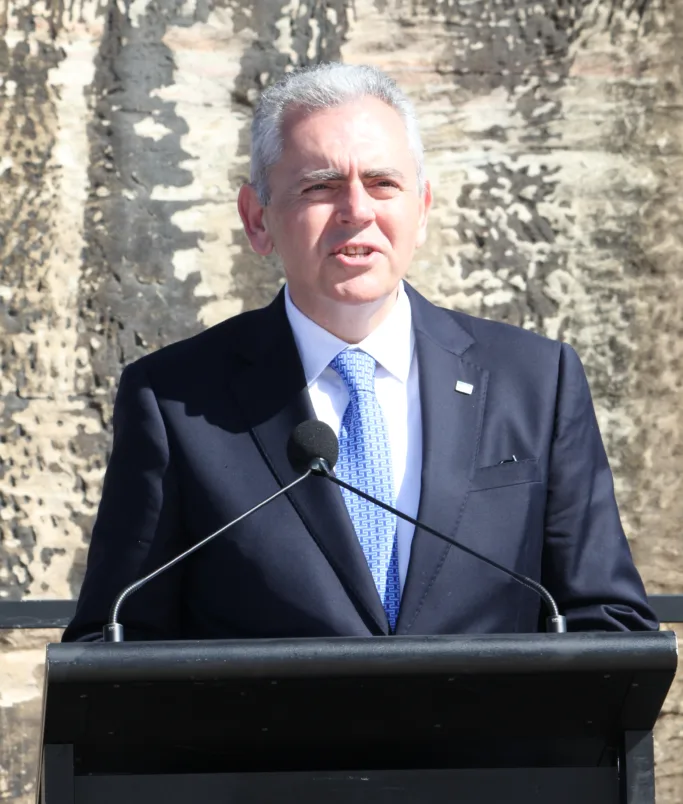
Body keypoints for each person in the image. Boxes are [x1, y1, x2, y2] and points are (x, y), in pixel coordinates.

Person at [62, 63, 656, 642]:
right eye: (320, 186)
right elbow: (116, 636)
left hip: (485, 740)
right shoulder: (175, 400)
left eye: (382, 183)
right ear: (257, 219)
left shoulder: (535, 381)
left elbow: (606, 620)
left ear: (421, 209)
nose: (357, 210)